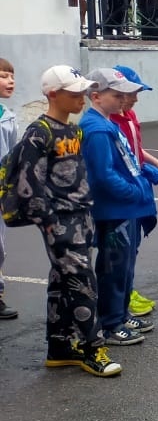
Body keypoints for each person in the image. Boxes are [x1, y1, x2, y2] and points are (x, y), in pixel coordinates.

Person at [10, 67, 120, 375]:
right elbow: (28, 182)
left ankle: (59, 347)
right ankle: (93, 349)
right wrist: (47, 220)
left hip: (81, 215)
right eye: (74, 93)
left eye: (82, 92)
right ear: (52, 94)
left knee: (62, 284)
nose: (81, 98)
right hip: (59, 221)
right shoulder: (39, 132)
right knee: (84, 283)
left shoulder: (73, 131)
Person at [80, 68, 158, 344]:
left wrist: (144, 178)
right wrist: (133, 192)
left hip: (124, 208)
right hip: (114, 210)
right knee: (114, 267)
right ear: (96, 96)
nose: (123, 99)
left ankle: (120, 313)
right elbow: (102, 175)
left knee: (125, 265)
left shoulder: (108, 122)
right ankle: (111, 323)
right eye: (117, 95)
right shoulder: (97, 128)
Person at [106, 64, 158, 320]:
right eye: (133, 92)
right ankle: (118, 303)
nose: (137, 98)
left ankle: (128, 290)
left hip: (136, 188)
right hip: (125, 194)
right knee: (119, 250)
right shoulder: (109, 122)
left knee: (132, 245)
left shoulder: (130, 117)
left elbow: (136, 148)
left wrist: (157, 163)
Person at [0, 58, 16, 319]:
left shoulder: (8, 117)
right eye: (3, 76)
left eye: (12, 76)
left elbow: (12, 155)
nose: (10, 81)